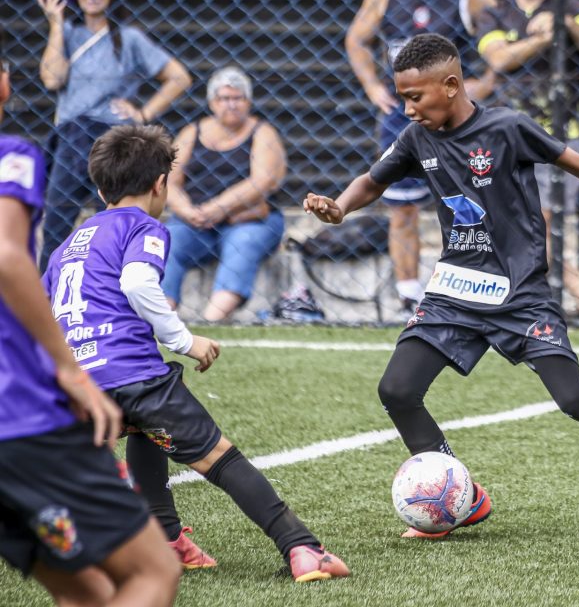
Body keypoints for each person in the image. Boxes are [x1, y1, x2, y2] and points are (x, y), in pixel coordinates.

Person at [304, 34, 579, 545]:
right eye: (402, 97)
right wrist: (340, 206)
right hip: (455, 290)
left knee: (575, 399)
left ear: (451, 85)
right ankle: (462, 499)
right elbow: (373, 181)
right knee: (396, 390)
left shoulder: (508, 128)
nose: (407, 108)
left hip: (519, 294)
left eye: (415, 97)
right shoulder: (416, 138)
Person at [42, 125, 350, 583]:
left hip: (81, 384)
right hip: (134, 373)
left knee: (143, 432)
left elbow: (43, 313)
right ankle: (302, 547)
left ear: (101, 188)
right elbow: (137, 283)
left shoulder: (66, 247)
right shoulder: (143, 226)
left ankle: (167, 541)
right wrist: (186, 341)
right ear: (160, 185)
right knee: (220, 459)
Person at [0, 57, 181, 606]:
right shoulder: (12, 156)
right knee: (153, 572)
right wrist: (68, 370)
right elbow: (8, 258)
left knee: (86, 590)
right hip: (19, 418)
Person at [345, 0, 497, 317]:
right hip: (404, 118)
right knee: (402, 209)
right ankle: (409, 297)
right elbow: (356, 40)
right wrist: (371, 85)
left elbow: (505, 34)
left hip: (455, 119)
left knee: (470, 207)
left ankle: (474, 290)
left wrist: (485, 82)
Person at [476, 0, 579, 320]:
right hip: (508, 134)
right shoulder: (495, 13)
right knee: (517, 225)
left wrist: (565, 23)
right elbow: (499, 59)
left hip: (559, 134)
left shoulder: (572, 6)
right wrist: (541, 40)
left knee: (538, 220)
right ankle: (575, 282)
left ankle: (552, 294)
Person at [35, 0, 192, 269]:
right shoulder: (69, 35)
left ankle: (109, 288)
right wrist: (56, 23)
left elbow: (179, 78)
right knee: (56, 224)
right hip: (72, 137)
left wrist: (143, 114)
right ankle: (45, 292)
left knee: (112, 224)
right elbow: (52, 78)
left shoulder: (129, 38)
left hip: (112, 139)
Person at [162, 66, 287, 321]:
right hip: (195, 222)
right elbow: (169, 181)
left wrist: (218, 208)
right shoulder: (192, 132)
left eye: (238, 98)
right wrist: (186, 210)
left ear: (248, 101)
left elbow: (261, 181)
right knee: (168, 241)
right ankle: (161, 315)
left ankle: (212, 320)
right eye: (224, 98)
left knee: (243, 244)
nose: (231, 104)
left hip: (247, 220)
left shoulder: (262, 132)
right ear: (212, 102)